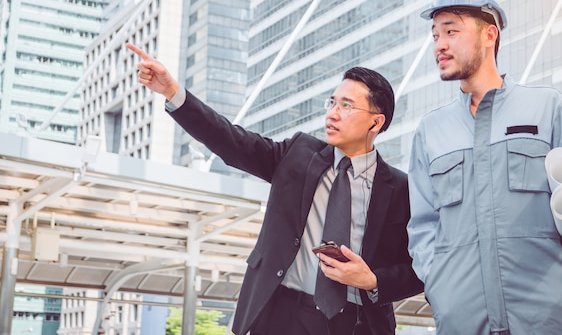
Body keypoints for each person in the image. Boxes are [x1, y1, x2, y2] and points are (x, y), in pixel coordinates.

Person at [128, 43, 423, 335]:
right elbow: (232, 142)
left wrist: (372, 280)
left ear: (376, 121)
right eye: (332, 102)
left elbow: (420, 268)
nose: (333, 113)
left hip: (357, 323)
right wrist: (172, 93)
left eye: (347, 106)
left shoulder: (401, 189)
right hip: (280, 315)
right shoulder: (298, 154)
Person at [406, 0, 562, 335]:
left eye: (450, 32)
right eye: (435, 36)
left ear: (489, 35)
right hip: (461, 321)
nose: (439, 46)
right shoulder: (431, 131)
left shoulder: (548, 109)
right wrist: (439, 286)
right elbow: (423, 227)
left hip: (543, 318)